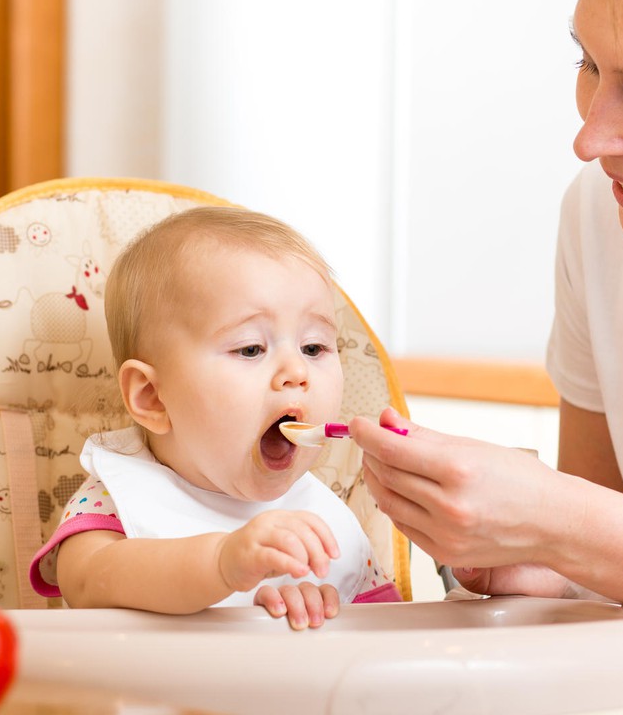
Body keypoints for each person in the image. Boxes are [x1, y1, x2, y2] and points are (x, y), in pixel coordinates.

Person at [350, 0, 623, 710]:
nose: (590, 138)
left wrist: (559, 521)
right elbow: (609, 564)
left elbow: (591, 525)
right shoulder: (606, 221)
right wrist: (524, 555)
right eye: (588, 63)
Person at [30, 206, 400, 629]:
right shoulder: (118, 498)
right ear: (153, 396)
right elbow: (89, 580)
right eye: (250, 349)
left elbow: (382, 648)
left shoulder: (327, 516)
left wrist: (326, 615)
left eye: (313, 348)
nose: (297, 373)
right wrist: (221, 564)